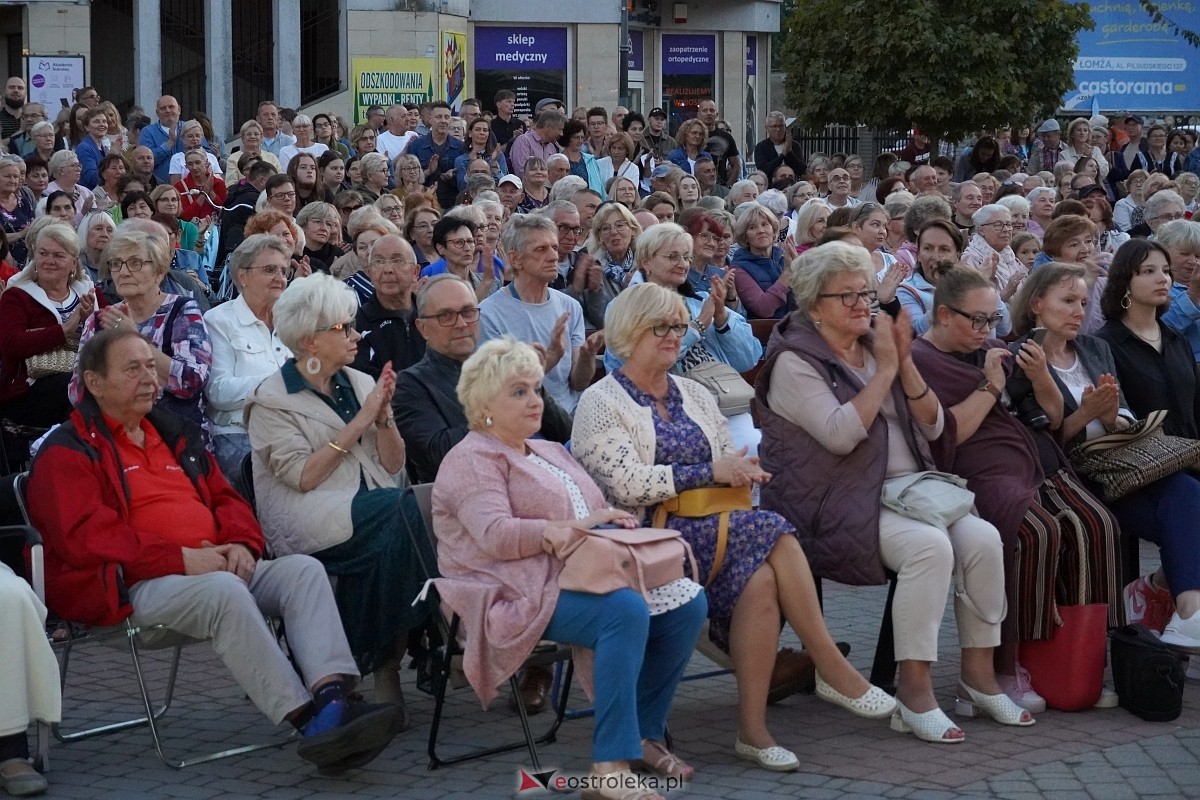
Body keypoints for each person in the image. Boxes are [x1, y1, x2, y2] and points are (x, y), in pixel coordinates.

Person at [31, 326, 406, 773]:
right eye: (132, 369)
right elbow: (86, 537)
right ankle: (310, 721)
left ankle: (333, 696)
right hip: (131, 588)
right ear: (94, 382)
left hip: (214, 566)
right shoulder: (67, 451)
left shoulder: (173, 433)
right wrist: (181, 559)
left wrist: (242, 544)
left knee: (302, 572)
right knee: (223, 592)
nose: (149, 378)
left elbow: (227, 498)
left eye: (151, 365)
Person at [574, 282, 893, 769]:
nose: (674, 336)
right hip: (646, 539)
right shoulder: (601, 400)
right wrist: (710, 471)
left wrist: (742, 469)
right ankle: (828, 664)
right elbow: (627, 484)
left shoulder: (694, 393)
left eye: (679, 326)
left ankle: (754, 732)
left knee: (760, 579)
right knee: (772, 529)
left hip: (712, 527)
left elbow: (726, 456)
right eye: (661, 327)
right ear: (629, 332)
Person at [759, 242, 1028, 743]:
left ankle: (977, 677)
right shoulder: (795, 361)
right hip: (835, 501)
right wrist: (885, 371)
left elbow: (935, 429)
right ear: (814, 306)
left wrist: (903, 364)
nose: (863, 304)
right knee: (930, 547)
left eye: (865, 293)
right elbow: (840, 436)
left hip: (908, 492)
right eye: (847, 296)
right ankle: (914, 690)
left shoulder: (874, 344)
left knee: (984, 539)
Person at [433, 337, 706, 795]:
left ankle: (642, 732)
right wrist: (572, 527)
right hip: (508, 590)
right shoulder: (472, 459)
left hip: (570, 574)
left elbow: (592, 510)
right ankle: (609, 767)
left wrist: (611, 521)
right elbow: (496, 536)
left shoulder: (546, 450)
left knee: (687, 605)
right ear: (483, 406)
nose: (535, 401)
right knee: (623, 611)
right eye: (518, 392)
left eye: (536, 389)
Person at [912, 266, 1121, 712]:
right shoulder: (921, 360)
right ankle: (1011, 663)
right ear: (944, 315)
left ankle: (1079, 659)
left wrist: (1042, 377)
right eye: (978, 320)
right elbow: (946, 433)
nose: (987, 331)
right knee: (1037, 532)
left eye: (993, 320)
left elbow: (1049, 416)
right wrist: (991, 385)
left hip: (1035, 460)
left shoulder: (994, 349)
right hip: (978, 471)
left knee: (1097, 524)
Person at [244, 272, 435, 702]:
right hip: (309, 513)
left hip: (377, 507)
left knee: (415, 514)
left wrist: (384, 419)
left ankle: (383, 663)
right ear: (309, 341)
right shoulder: (271, 399)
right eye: (344, 327)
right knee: (408, 513)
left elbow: (394, 465)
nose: (356, 334)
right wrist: (363, 420)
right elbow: (304, 477)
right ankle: (430, 639)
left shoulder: (361, 382)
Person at [1012, 258, 1200, 648]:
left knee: (1188, 493)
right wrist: (1085, 414)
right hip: (1074, 481)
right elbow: (1036, 445)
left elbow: (1123, 414)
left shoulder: (1094, 348)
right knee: (1186, 511)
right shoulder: (1021, 356)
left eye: (1083, 303)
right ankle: (1160, 598)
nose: (1078, 312)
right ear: (1037, 303)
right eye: (1068, 301)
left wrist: (1112, 415)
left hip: (1122, 466)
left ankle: (1185, 610)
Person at [1092, 240, 1200, 648]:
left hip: (1187, 469)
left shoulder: (1174, 339)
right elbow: (1123, 426)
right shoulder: (1105, 344)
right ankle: (1187, 611)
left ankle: (1154, 589)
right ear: (1125, 281)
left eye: (1165, 271)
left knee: (1189, 501)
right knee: (1188, 498)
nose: (1163, 279)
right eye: (1148, 271)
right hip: (1133, 476)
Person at [70, 229, 212, 431]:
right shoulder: (99, 321)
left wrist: (136, 338)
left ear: (159, 272)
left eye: (135, 263)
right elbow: (77, 391)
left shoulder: (183, 311)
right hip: (114, 431)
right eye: (116, 264)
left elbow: (192, 381)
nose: (124, 272)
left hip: (173, 433)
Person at [478, 214, 600, 414]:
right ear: (516, 259)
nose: (553, 256)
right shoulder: (489, 314)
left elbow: (578, 383)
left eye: (554, 247)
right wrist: (551, 358)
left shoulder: (570, 307)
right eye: (541, 249)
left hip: (570, 415)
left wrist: (587, 357)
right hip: (523, 419)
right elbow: (500, 391)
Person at [202, 234, 293, 484]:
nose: (280, 277)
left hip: (290, 430)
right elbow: (218, 392)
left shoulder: (291, 323)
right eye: (270, 270)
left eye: (283, 271)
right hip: (239, 434)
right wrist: (280, 380)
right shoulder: (218, 320)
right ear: (243, 276)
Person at [0, 222, 94, 427]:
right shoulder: (17, 295)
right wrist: (65, 330)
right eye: (43, 254)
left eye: (58, 256)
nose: (49, 261)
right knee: (77, 386)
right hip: (27, 389)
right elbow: (10, 344)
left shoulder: (87, 291)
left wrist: (90, 321)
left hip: (80, 376)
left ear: (74, 262)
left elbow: (109, 339)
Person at [351, 233, 425, 377]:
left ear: (415, 272)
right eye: (379, 262)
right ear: (370, 273)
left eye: (397, 261)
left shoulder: (431, 315)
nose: (388, 269)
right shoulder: (357, 326)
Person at [731, 203, 794, 319]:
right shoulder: (738, 269)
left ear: (773, 230)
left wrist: (800, 269)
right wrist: (788, 273)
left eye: (765, 224)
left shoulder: (784, 258)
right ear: (745, 236)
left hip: (795, 324)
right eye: (752, 227)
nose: (761, 231)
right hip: (764, 328)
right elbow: (764, 308)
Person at [962, 204, 1026, 304]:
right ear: (981, 230)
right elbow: (971, 302)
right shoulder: (971, 258)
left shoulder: (1010, 255)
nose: (1006, 229)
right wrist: (1006, 293)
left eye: (1008, 224)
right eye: (998, 225)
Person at [77, 210, 114, 282]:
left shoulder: (117, 265)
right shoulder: (75, 265)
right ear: (85, 232)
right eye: (98, 229)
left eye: (109, 230)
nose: (105, 234)